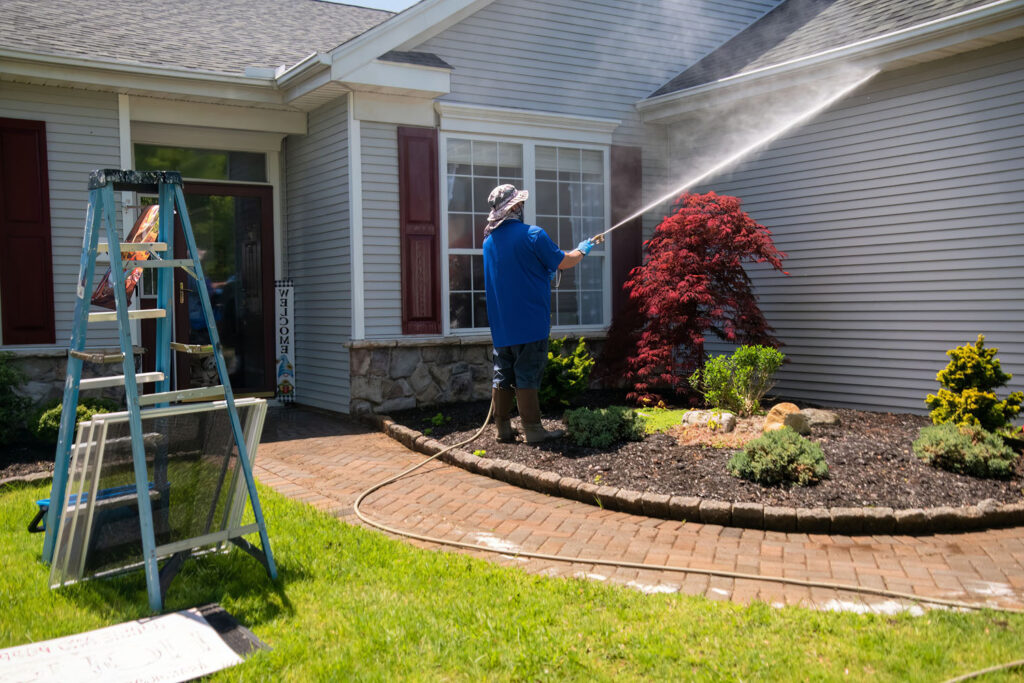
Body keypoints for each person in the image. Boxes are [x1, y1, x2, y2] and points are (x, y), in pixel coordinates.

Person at [482, 184, 603, 444]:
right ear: (514, 207)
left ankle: (502, 429)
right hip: (530, 321)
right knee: (527, 373)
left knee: (502, 372)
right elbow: (564, 261)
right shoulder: (533, 234)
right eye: (520, 204)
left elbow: (514, 270)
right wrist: (583, 249)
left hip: (502, 323)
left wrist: (542, 272)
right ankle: (534, 430)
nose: (522, 207)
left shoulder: (488, 241)